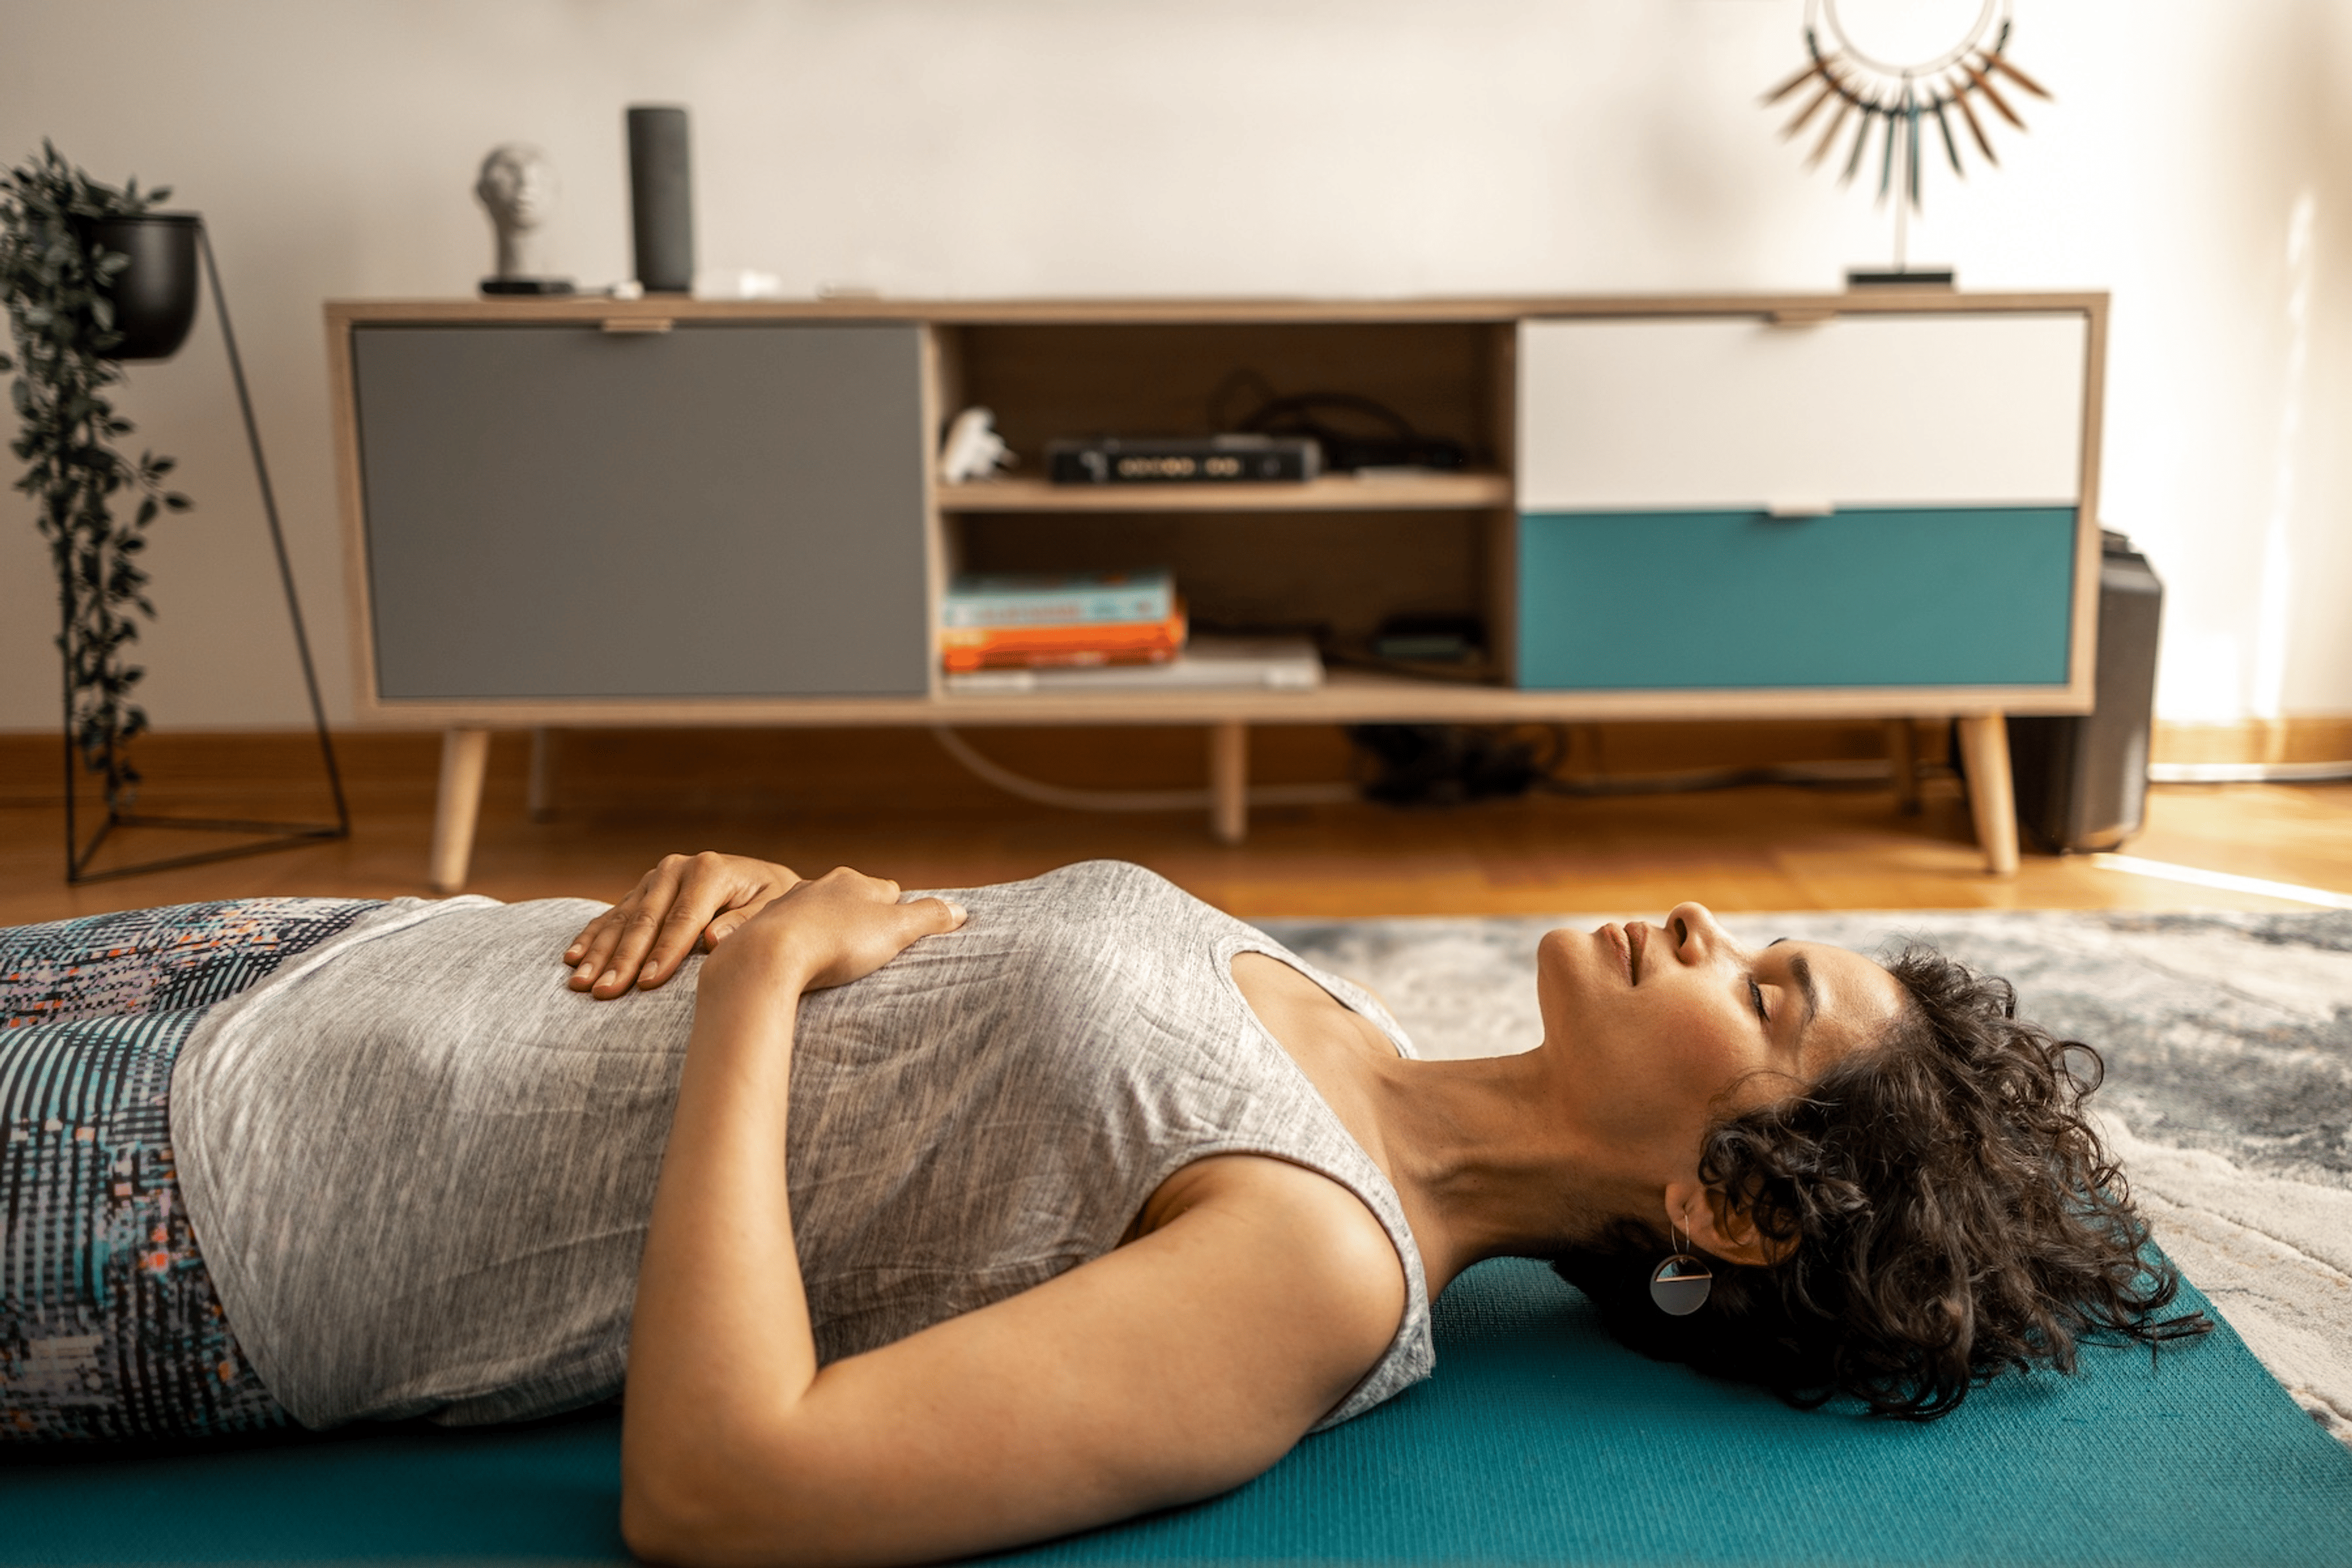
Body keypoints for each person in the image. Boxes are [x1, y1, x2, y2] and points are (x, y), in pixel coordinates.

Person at [0, 854, 2203, 1567]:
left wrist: (760, 985)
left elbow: (725, 1482)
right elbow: (926, 1022)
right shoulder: (1334, 1010)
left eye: (1769, 991)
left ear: (1727, 1205)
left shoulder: (1318, 1267)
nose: (1712, 923)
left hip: (194, 1192)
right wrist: (754, 894)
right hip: (321, 966)